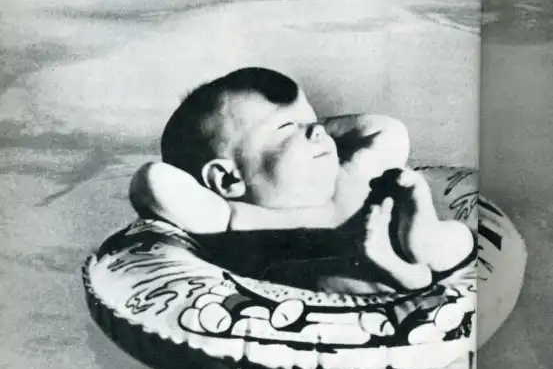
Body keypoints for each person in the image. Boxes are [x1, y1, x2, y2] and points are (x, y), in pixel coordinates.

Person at [130, 67, 475, 293]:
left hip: (399, 244)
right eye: (287, 128)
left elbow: (386, 130)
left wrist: (302, 128)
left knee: (457, 237)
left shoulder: (347, 176)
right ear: (228, 177)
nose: (318, 131)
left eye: (313, 121)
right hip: (347, 271)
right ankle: (390, 270)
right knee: (295, 277)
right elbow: (153, 182)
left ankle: (423, 241)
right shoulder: (236, 216)